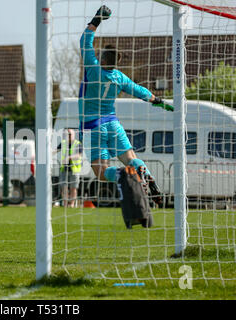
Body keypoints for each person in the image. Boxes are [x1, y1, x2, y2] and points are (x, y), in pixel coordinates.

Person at [79, 5, 173, 204]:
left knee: (102, 173)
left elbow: (85, 40)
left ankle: (128, 172)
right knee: (131, 156)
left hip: (92, 127)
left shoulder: (93, 70)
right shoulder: (119, 77)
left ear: (102, 58)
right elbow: (139, 90)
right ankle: (143, 171)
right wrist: (158, 100)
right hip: (113, 124)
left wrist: (97, 19)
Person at [56, 128, 82, 208]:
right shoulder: (63, 143)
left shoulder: (77, 143)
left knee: (73, 187)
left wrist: (69, 157)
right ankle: (65, 204)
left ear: (74, 135)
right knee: (64, 187)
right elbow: (55, 150)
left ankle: (72, 204)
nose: (69, 135)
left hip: (74, 169)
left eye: (70, 134)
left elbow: (79, 155)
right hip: (64, 169)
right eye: (67, 134)